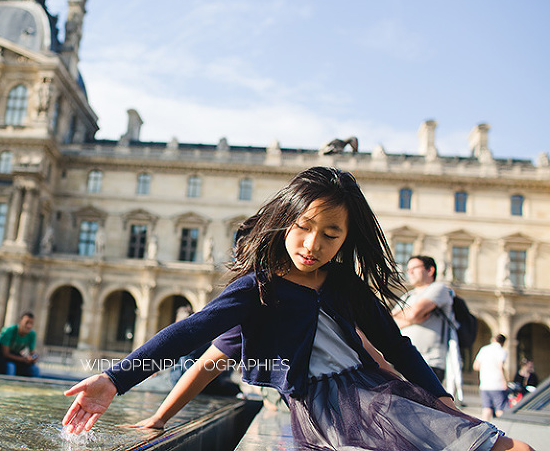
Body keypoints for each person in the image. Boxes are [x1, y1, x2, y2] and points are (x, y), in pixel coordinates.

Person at [62, 166, 534, 451]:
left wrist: (440, 398)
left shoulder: (344, 284)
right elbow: (195, 338)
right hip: (329, 408)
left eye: (331, 235)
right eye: (304, 228)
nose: (313, 245)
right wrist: (116, 380)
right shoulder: (258, 291)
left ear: (347, 240)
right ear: (283, 223)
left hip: (383, 392)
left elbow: (395, 343)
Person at [391, 255, 453, 383]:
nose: (410, 272)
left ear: (430, 270)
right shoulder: (408, 296)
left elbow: (414, 313)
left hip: (429, 362)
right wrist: (413, 319)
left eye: (415, 268)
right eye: (408, 269)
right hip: (404, 363)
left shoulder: (438, 288)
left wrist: (409, 316)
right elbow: (389, 323)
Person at [474, 334, 509, 421]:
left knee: (486, 408)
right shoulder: (502, 351)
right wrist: (505, 381)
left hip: (485, 384)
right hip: (497, 384)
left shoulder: (484, 349)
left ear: (493, 339)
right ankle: (503, 428)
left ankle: (485, 431)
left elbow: (476, 366)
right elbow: (500, 366)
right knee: (500, 409)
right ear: (503, 342)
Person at [0, 311, 40, 377]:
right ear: (20, 322)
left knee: (35, 369)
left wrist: (34, 357)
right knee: (11, 367)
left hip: (17, 358)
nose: (29, 326)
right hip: (2, 358)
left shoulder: (32, 334)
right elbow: (5, 354)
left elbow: (32, 352)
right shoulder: (9, 331)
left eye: (31, 323)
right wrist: (24, 359)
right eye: (27, 323)